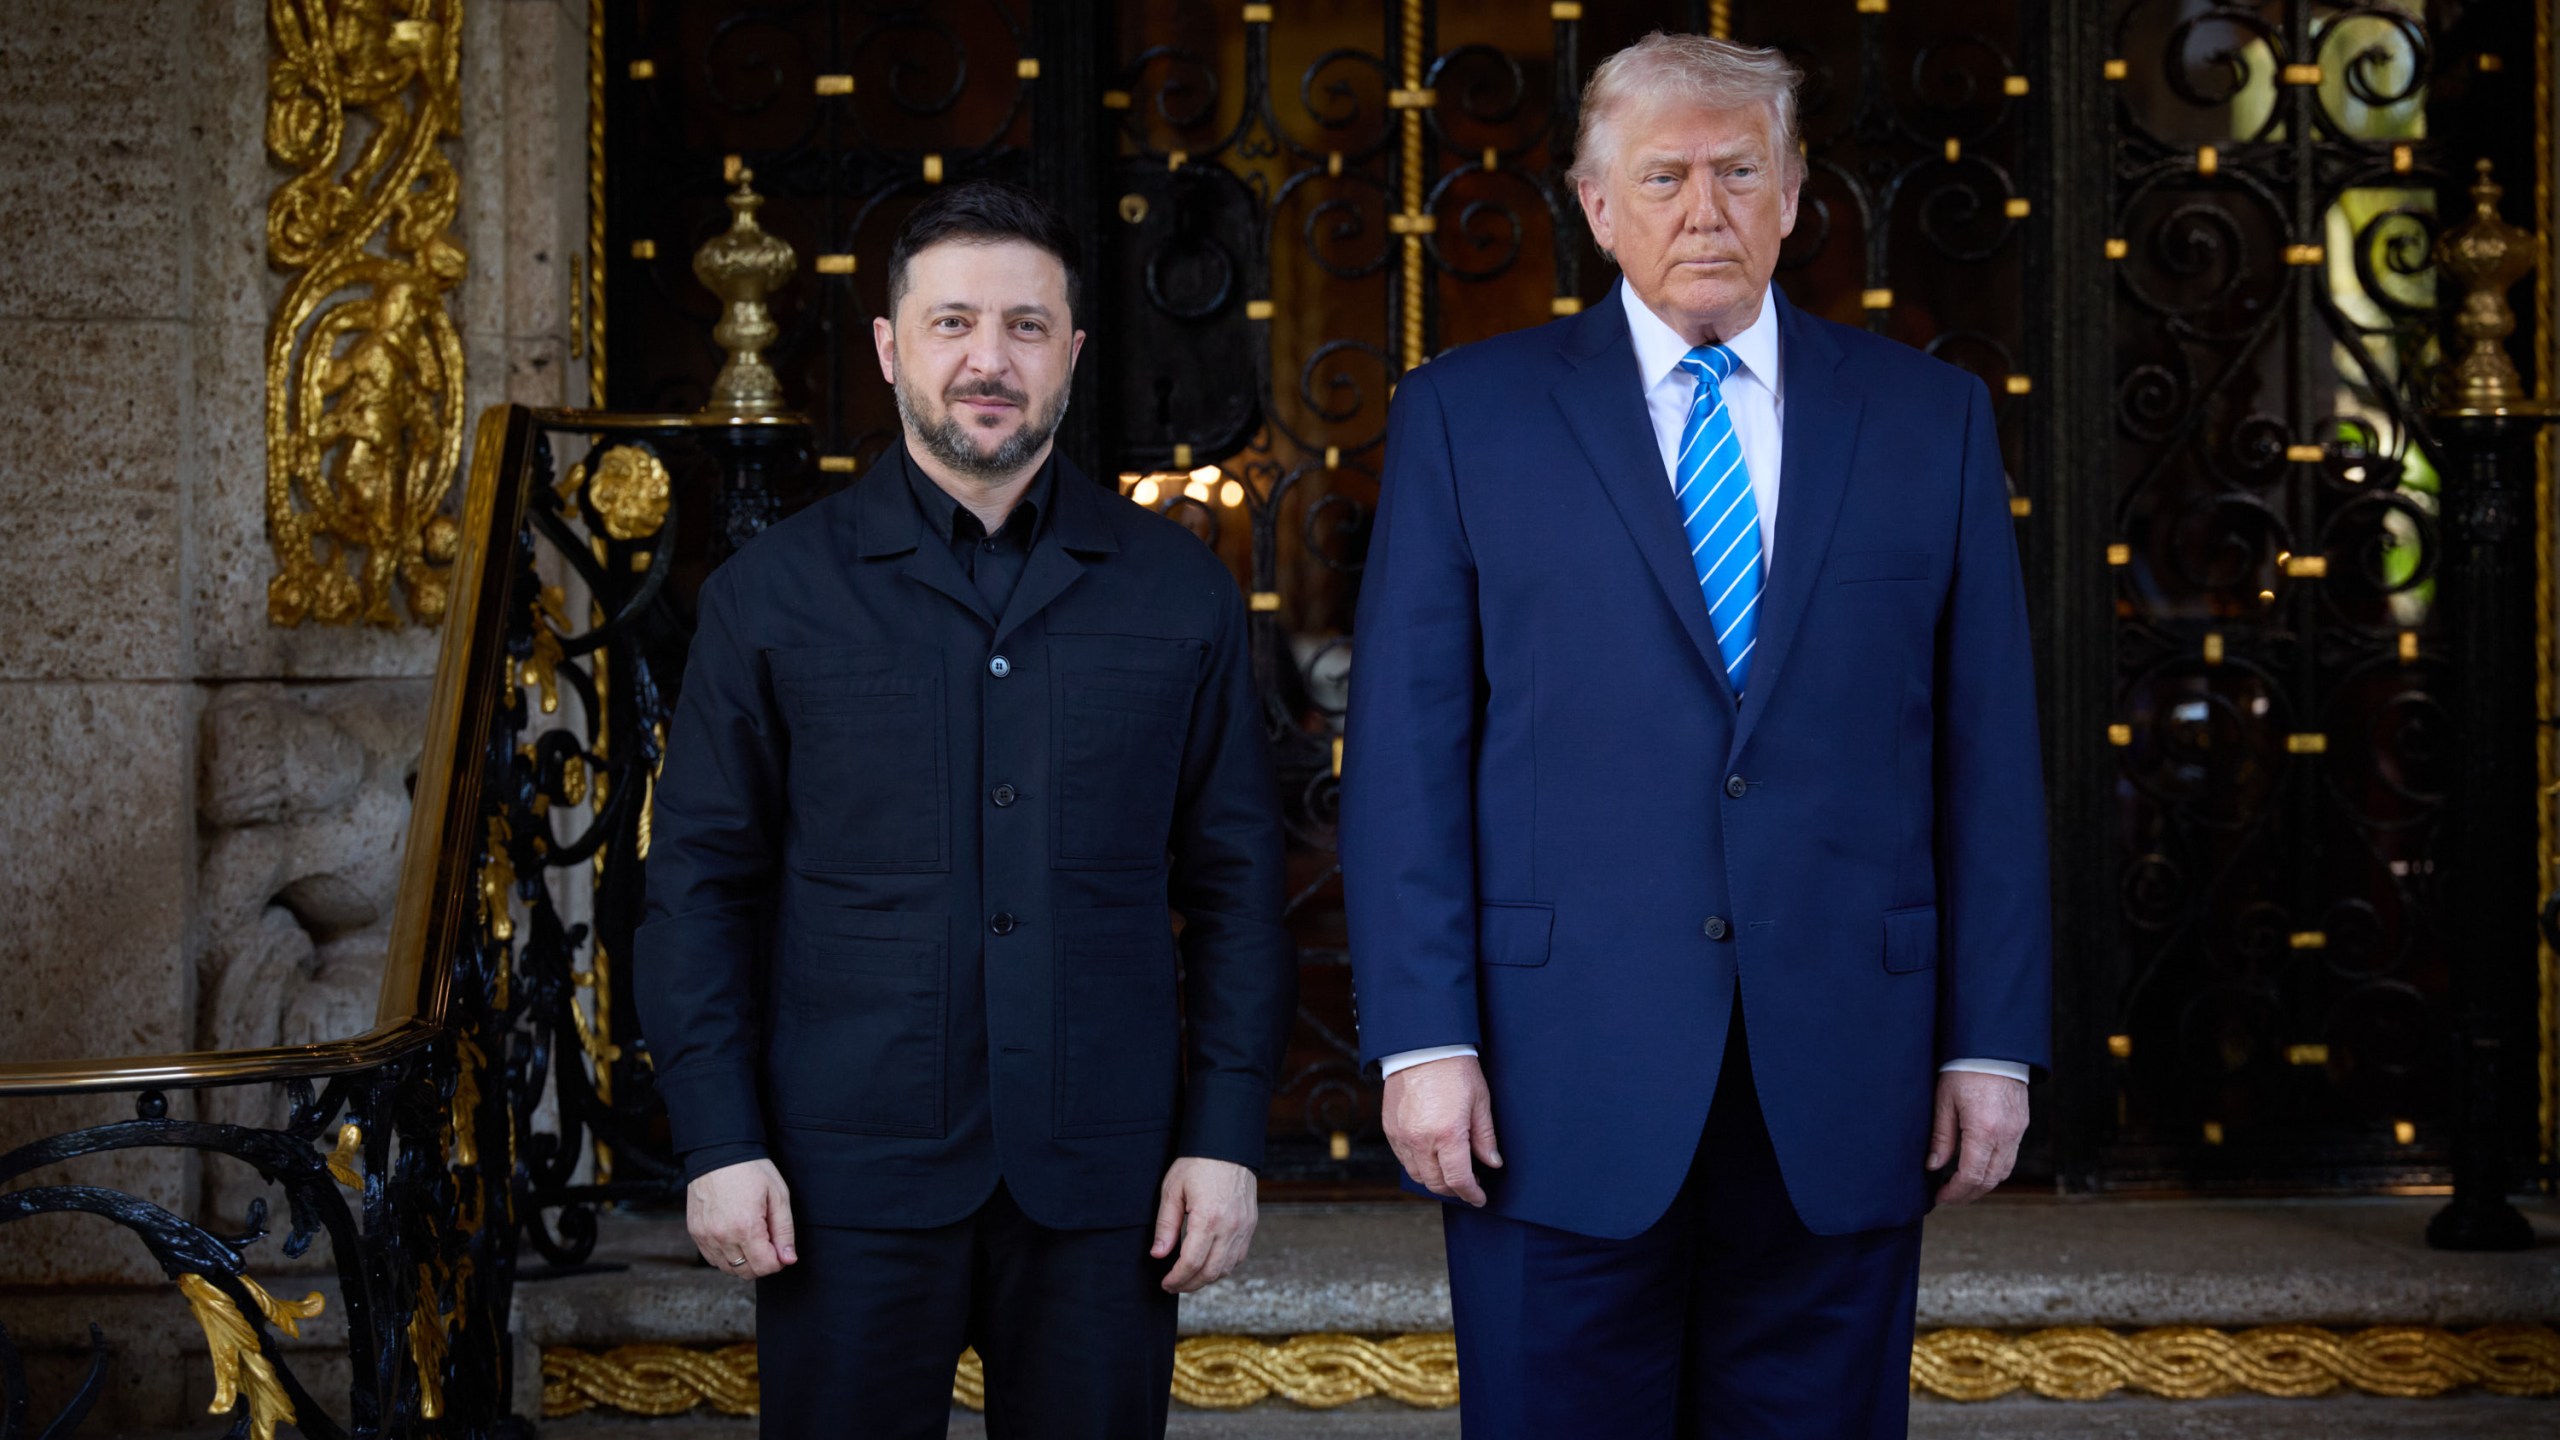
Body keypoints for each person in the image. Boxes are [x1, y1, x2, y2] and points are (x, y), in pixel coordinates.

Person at [1340, 33, 2052, 1439]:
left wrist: (1991, 1043)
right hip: (1550, 1084)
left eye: (1738, 171)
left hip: (1847, 1071)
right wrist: (1420, 1039)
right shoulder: (1465, 418)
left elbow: (1988, 754)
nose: (1704, 209)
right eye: (1664, 177)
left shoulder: (1932, 420)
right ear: (1597, 206)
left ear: (1793, 194)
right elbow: (1408, 761)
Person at [633, 181, 1296, 1440]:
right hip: (841, 1180)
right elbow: (698, 891)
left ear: (1073, 353)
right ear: (891, 348)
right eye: (952, 324)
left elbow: (1236, 891)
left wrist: (1224, 1137)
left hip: (1107, 1182)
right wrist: (718, 1139)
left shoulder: (1179, 593)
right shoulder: (770, 595)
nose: (988, 360)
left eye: (1025, 326)